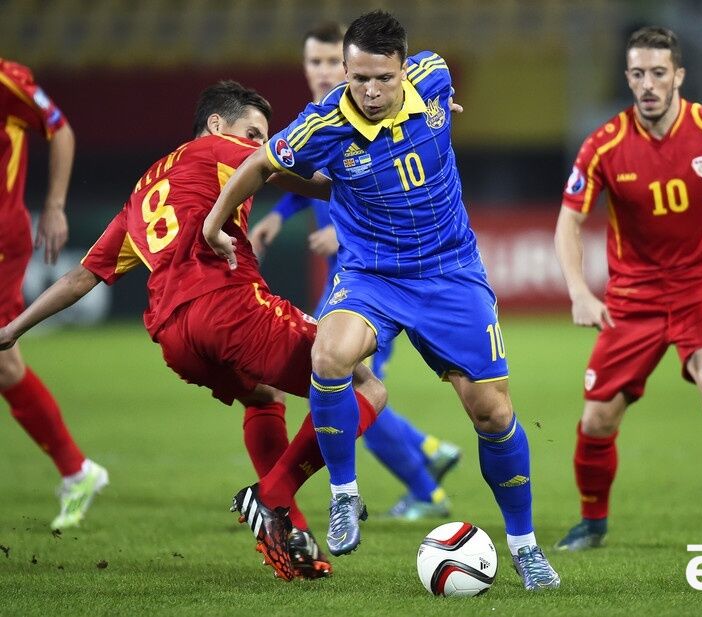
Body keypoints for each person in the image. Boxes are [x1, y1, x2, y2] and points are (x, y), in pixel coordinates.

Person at [204, 11, 560, 591]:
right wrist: (216, 222)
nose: (370, 91)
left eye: (383, 78)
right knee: (329, 355)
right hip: (371, 273)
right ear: (346, 72)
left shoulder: (434, 75)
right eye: (359, 78)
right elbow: (261, 163)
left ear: (403, 69)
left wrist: (442, 111)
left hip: (451, 273)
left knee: (493, 414)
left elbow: (438, 91)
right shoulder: (322, 125)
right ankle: (344, 495)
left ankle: (525, 547)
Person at [0, 80, 387, 582]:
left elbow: (82, 277)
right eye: (252, 133)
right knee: (365, 386)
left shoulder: (145, 189)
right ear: (217, 125)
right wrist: (372, 179)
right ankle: (271, 497)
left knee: (263, 396)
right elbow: (295, 171)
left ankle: (291, 535)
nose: (258, 144)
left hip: (175, 338)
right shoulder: (222, 149)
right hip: (228, 308)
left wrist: (13, 328)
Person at [553, 27, 702, 551]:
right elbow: (569, 221)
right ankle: (592, 522)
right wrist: (579, 291)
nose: (648, 84)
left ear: (678, 75)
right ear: (628, 78)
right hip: (634, 299)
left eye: (659, 73)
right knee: (597, 419)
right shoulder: (604, 144)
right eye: (638, 74)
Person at [249, 21, 461, 521]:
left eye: (330, 62)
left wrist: (341, 236)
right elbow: (321, 180)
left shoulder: (380, 107)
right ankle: (427, 451)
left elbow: (402, 189)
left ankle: (424, 485)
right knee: (344, 383)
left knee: (350, 388)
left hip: (377, 276)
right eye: (315, 62)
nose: (323, 71)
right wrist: (279, 216)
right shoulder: (320, 122)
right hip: (351, 277)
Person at [0, 58, 108, 529]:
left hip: (1, 241)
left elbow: (60, 129)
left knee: (4, 363)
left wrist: (55, 205)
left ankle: (77, 470)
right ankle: (77, 470)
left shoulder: (7, 80)